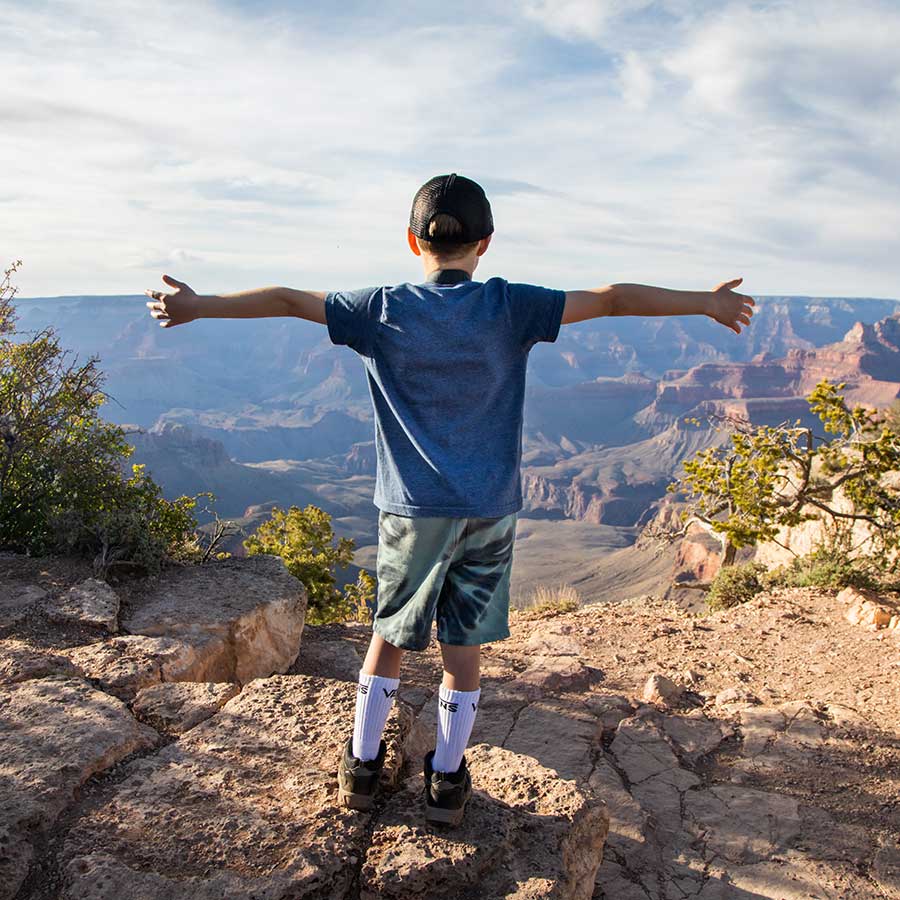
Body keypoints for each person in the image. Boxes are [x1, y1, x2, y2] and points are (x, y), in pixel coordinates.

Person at [145, 173, 754, 826]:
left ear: (412, 241)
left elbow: (293, 299)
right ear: (485, 244)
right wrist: (707, 303)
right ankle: (445, 780)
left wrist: (199, 305)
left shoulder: (379, 306)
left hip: (411, 510)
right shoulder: (510, 306)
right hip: (489, 507)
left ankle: (359, 768)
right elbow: (609, 298)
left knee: (390, 637)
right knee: (463, 652)